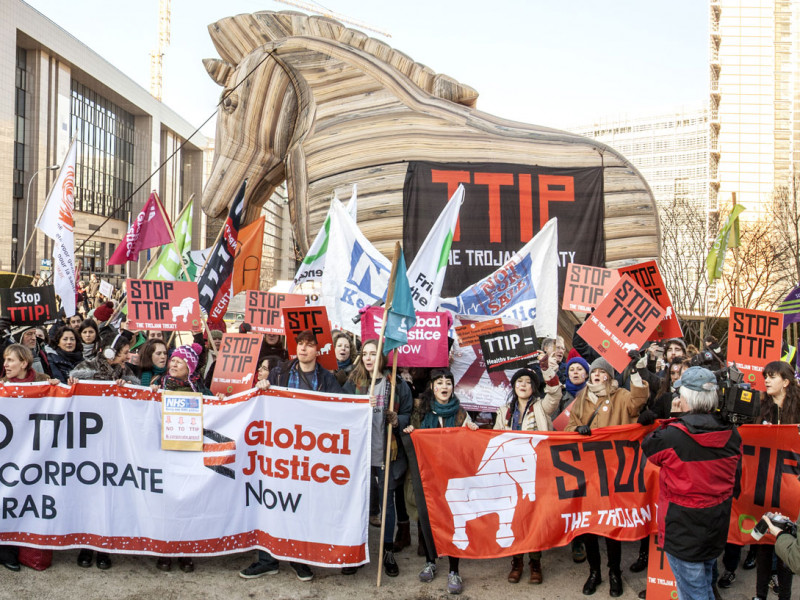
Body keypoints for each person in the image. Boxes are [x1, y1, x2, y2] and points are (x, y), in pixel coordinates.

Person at [239, 330, 342, 582]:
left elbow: (343, 408)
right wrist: (262, 386)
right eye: (300, 345)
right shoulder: (280, 373)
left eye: (309, 345)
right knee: (271, 501)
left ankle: (298, 559)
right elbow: (259, 402)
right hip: (278, 453)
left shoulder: (327, 379)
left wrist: (364, 405)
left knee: (300, 506)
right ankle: (267, 560)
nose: (304, 349)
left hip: (309, 454)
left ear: (318, 350)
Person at [642, 366, 741, 600]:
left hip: (682, 530)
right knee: (705, 583)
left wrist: (675, 418)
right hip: (716, 524)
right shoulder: (732, 433)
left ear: (684, 397)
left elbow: (649, 447)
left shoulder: (673, 435)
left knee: (694, 593)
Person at [565, 356, 649, 597]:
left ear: (610, 377)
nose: (596, 377)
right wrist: (577, 431)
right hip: (588, 473)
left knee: (612, 525)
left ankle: (614, 572)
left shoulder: (621, 396)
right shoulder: (582, 398)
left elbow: (638, 401)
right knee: (590, 524)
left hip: (614, 472)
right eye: (594, 374)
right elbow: (569, 427)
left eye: (601, 373)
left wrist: (634, 372)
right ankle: (594, 572)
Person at [404, 368, 479, 595]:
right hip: (429, 478)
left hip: (454, 478)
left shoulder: (460, 414)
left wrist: (473, 430)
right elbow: (413, 433)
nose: (444, 386)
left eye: (448, 382)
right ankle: (431, 561)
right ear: (432, 387)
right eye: (439, 382)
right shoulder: (421, 410)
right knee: (428, 521)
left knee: (453, 521)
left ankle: (454, 570)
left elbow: (471, 448)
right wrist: (411, 431)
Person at [342, 338, 412, 577]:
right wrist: (358, 404)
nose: (369, 358)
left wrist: (397, 419)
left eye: (373, 353)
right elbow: (340, 410)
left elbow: (407, 414)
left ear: (382, 358)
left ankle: (387, 551)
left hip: (387, 454)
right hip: (360, 455)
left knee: (387, 504)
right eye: (365, 353)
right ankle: (355, 552)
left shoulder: (397, 384)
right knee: (358, 504)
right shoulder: (354, 383)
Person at [493, 360, 560, 584]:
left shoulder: (542, 406)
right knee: (514, 517)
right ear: (513, 386)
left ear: (534, 386)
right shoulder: (504, 411)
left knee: (534, 518)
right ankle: (517, 562)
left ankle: (535, 562)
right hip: (510, 473)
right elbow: (495, 437)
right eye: (519, 381)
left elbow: (556, 393)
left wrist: (545, 367)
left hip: (537, 473)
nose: (523, 385)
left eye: (528, 381)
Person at [0, 343, 59, 572]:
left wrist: (60, 388)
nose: (5, 365)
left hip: (35, 457)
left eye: (10, 360)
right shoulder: (3, 386)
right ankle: (5, 551)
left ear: (24, 363)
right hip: (8, 456)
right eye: (5, 360)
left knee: (27, 503)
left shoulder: (43, 381)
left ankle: (21, 549)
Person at [149, 342, 207, 572]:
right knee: (165, 504)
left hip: (188, 453)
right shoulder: (157, 384)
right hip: (163, 452)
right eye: (172, 360)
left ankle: (185, 552)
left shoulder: (200, 390)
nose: (173, 363)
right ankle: (165, 551)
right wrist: (149, 397)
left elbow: (216, 409)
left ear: (189, 367)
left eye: (179, 361)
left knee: (187, 503)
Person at [749, 361, 800, 600]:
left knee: (785, 543)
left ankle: (784, 596)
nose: (766, 381)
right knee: (763, 542)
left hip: (791, 488)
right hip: (765, 485)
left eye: (771, 376)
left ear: (786, 382)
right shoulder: (761, 408)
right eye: (765, 376)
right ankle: (760, 595)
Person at [69, 331, 139, 386]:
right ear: (110, 353)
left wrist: (129, 388)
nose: (128, 357)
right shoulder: (84, 368)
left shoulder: (126, 371)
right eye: (125, 353)